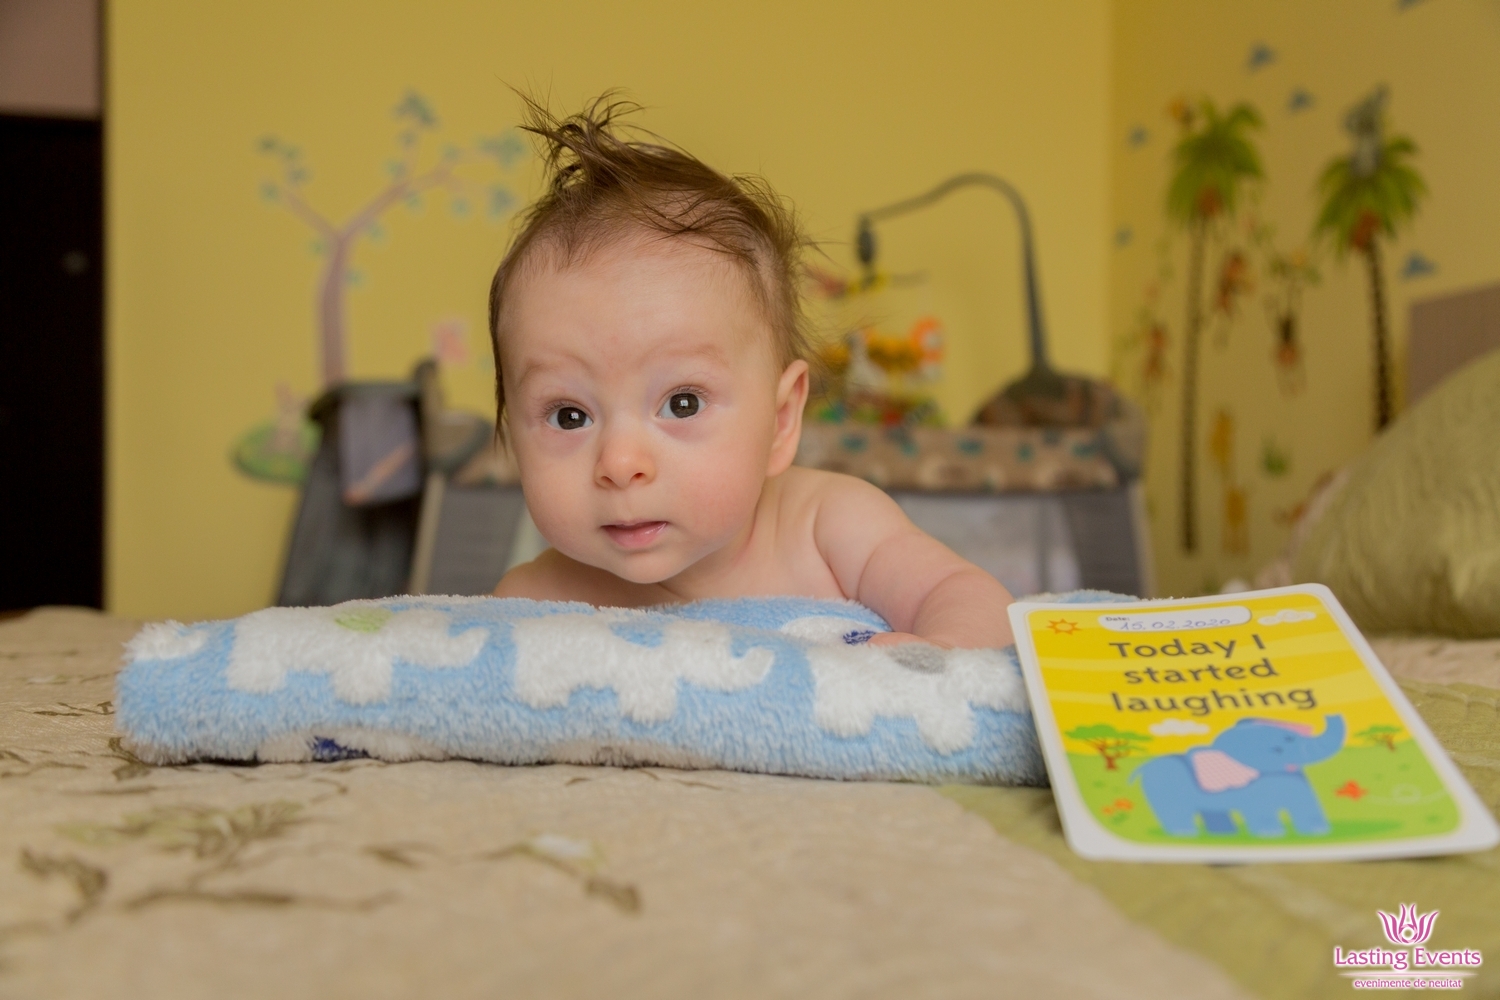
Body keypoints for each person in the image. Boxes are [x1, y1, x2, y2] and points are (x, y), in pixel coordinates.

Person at [491, 95, 1014, 648]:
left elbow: (963, 596)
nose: (620, 465)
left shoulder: (830, 526)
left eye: (683, 403)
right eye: (569, 416)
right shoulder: (533, 605)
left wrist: (938, 658)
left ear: (781, 420)